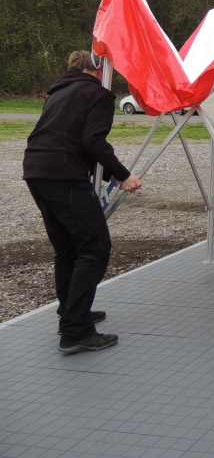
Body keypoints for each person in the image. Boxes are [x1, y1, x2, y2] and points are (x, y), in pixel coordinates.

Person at [23, 50, 142, 354]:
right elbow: (93, 141)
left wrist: (110, 176)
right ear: (98, 69)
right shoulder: (97, 93)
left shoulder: (59, 92)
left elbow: (73, 137)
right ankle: (75, 331)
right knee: (95, 247)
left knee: (67, 248)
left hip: (36, 170)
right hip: (63, 174)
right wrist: (123, 175)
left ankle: (71, 311)